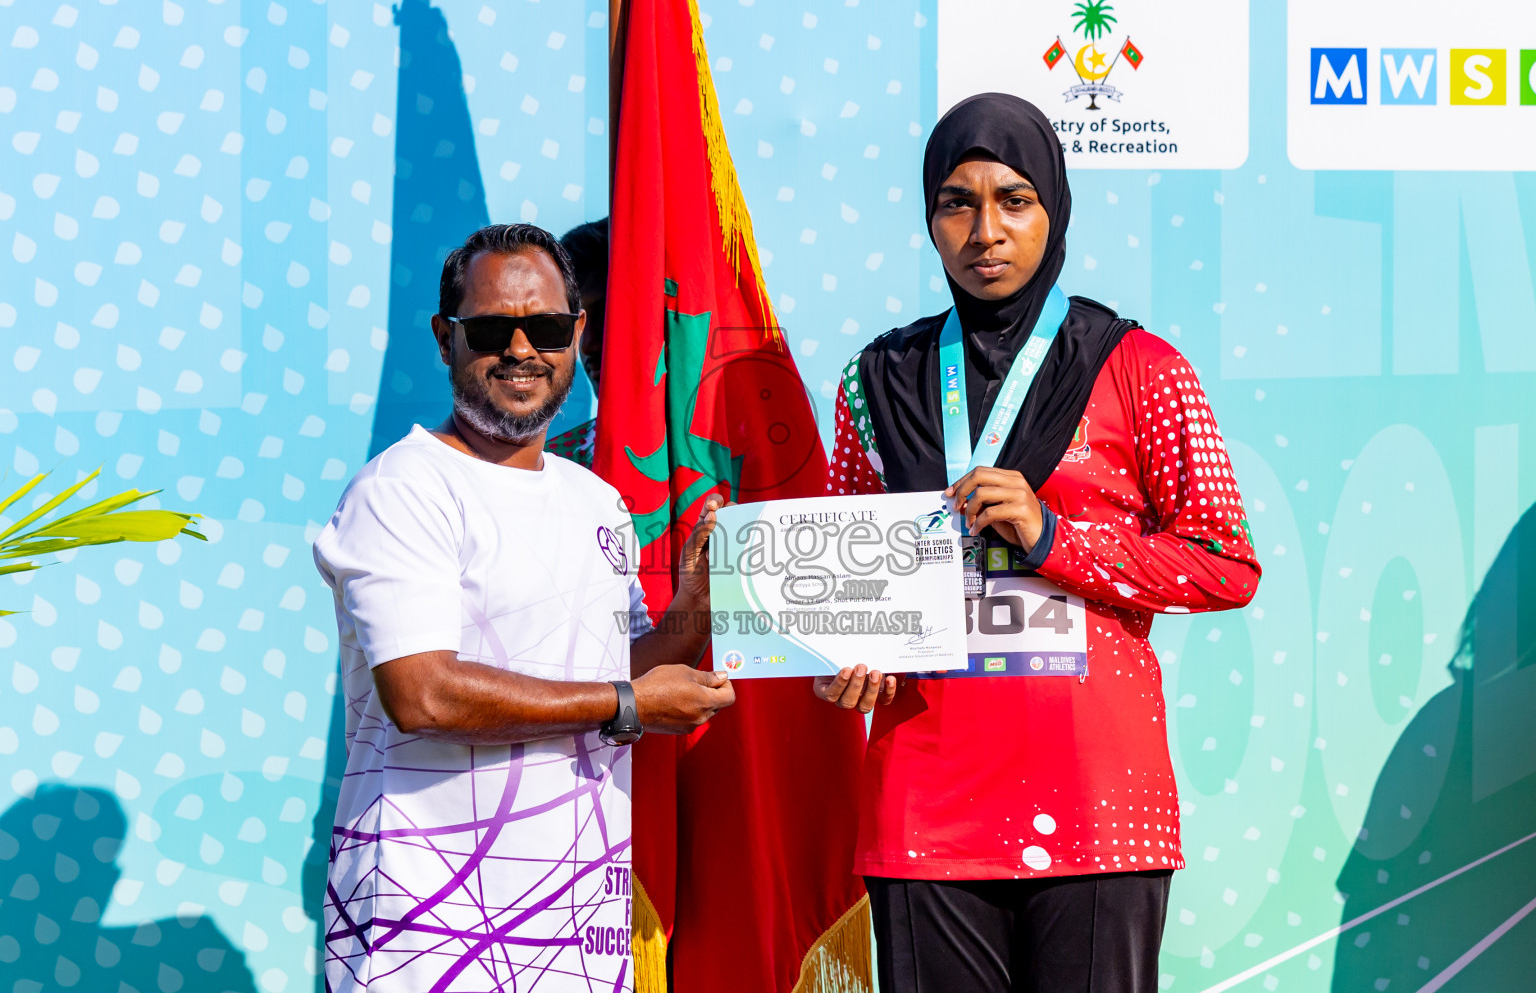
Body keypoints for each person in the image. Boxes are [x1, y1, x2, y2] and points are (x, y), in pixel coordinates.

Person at [818, 94, 1262, 992]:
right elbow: (846, 570)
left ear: (1053, 210)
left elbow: (1226, 565)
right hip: (924, 801)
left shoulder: (1139, 365)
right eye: (957, 202)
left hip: (1098, 803)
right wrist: (846, 656)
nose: (985, 230)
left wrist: (1054, 536)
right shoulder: (877, 380)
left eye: (1013, 200)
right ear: (930, 220)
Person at [313, 223, 734, 990]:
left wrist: (698, 610)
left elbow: (621, 666)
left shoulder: (596, 500)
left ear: (576, 334)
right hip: (431, 925)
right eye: (488, 329)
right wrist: (627, 703)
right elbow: (424, 694)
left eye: (542, 327)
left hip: (576, 927)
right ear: (445, 339)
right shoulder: (403, 488)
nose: (519, 349)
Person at [545, 218, 608, 467]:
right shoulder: (558, 467)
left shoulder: (730, 458)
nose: (588, 345)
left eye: (608, 317)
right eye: (575, 322)